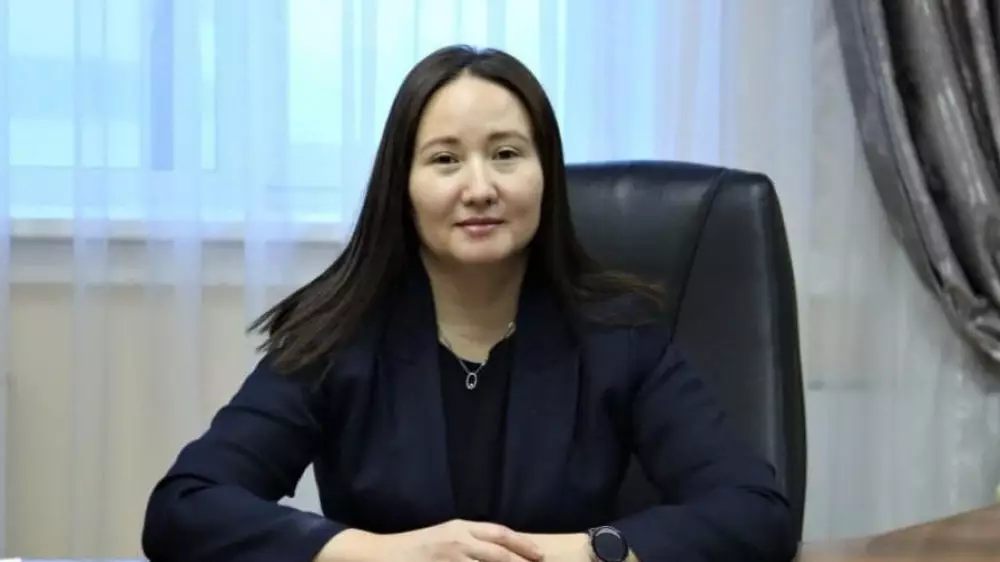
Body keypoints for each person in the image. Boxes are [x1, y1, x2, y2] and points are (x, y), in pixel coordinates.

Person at [141, 44, 798, 562]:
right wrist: (380, 554)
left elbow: (756, 510)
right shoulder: (338, 336)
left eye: (506, 154)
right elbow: (184, 509)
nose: (479, 187)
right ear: (403, 188)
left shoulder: (619, 334)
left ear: (546, 176)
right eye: (445, 160)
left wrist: (585, 552)